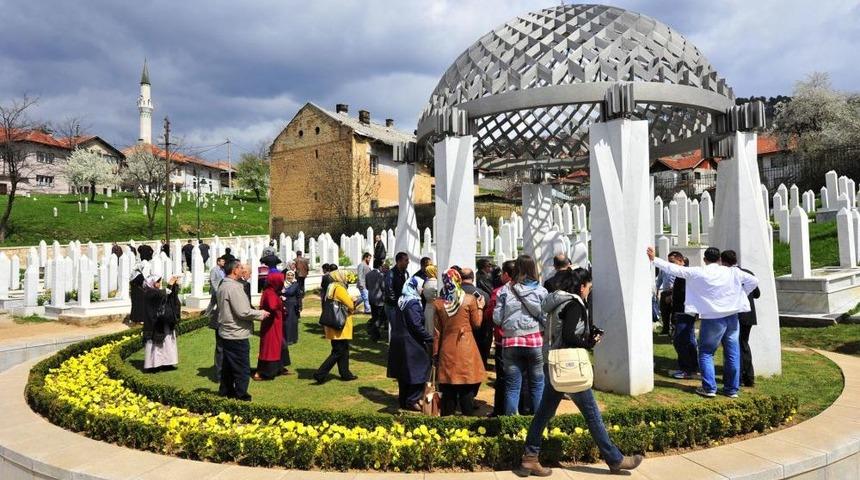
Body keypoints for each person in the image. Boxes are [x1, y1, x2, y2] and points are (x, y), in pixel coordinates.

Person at [516, 268, 643, 477]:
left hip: (554, 364)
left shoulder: (557, 303)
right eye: (589, 288)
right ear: (582, 286)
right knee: (592, 414)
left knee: (544, 414)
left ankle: (530, 458)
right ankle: (615, 459)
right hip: (569, 367)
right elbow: (569, 336)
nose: (588, 292)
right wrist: (589, 342)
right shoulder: (574, 303)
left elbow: (562, 330)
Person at [648, 246, 759, 398]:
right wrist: (740, 296)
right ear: (719, 259)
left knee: (706, 353)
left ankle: (709, 388)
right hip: (732, 316)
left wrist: (654, 259)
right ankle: (731, 389)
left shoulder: (699, 271)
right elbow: (754, 280)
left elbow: (675, 269)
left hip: (712, 317)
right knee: (732, 353)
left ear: (705, 259)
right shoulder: (733, 272)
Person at [493, 254, 548, 415]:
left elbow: (496, 318)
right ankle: (539, 425)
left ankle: (512, 426)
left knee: (512, 386)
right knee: (538, 384)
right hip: (535, 341)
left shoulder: (505, 290)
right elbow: (545, 317)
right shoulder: (541, 291)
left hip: (511, 341)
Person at [433, 268, 485, 416]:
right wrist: (480, 308)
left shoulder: (439, 303)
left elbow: (437, 332)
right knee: (467, 385)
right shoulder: (469, 299)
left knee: (448, 387)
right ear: (459, 280)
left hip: (447, 347)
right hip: (466, 347)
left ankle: (448, 422)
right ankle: (468, 421)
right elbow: (477, 324)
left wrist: (435, 353)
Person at [216, 259, 269, 400]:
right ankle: (241, 394)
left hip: (227, 332)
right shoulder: (233, 287)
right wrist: (261, 314)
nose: (243, 270)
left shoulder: (224, 285)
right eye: (240, 268)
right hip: (236, 333)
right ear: (234, 270)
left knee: (228, 365)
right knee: (242, 367)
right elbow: (243, 312)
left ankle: (226, 390)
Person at [388, 275, 434, 410]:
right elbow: (416, 325)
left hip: (398, 340)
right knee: (420, 369)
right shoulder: (413, 302)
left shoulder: (402, 299)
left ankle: (403, 399)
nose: (422, 290)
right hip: (410, 341)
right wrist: (429, 338)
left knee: (404, 371)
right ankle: (412, 399)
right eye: (421, 287)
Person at [720, 250, 760, 387]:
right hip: (748, 315)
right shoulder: (748, 273)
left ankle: (737, 378)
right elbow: (757, 294)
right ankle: (749, 377)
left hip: (734, 313)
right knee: (744, 345)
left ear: (723, 261)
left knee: (732, 347)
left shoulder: (725, 275)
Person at [313, 270, 358, 383]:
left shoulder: (330, 287)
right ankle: (320, 374)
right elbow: (349, 304)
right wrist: (354, 300)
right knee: (338, 351)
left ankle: (345, 373)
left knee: (343, 350)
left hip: (333, 323)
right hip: (340, 324)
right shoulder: (339, 288)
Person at [488, 260, 514, 417]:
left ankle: (500, 410)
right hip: (524, 339)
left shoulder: (498, 292)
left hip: (502, 340)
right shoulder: (531, 290)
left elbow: (492, 315)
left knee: (503, 377)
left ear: (506, 274)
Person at [141, 274, 181, 372]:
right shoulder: (149, 292)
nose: (159, 284)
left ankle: (167, 363)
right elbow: (163, 294)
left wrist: (174, 285)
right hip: (154, 323)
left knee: (166, 342)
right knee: (154, 345)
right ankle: (153, 365)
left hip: (162, 322)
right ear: (151, 283)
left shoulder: (155, 292)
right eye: (157, 282)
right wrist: (170, 285)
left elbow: (167, 296)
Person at [254, 271, 285, 381]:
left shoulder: (271, 291)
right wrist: (280, 304)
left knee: (274, 345)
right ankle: (266, 372)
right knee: (270, 346)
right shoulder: (270, 292)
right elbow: (272, 306)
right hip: (271, 323)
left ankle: (276, 368)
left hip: (274, 322)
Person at [461, 267, 492, 368]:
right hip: (480, 333)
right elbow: (488, 315)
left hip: (460, 333)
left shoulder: (453, 294)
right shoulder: (483, 295)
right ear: (473, 278)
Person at [206, 255, 228, 376]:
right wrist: (217, 290)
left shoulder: (223, 270)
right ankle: (207, 314)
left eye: (224, 261)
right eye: (222, 260)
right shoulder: (215, 270)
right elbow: (213, 281)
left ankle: (207, 314)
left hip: (221, 292)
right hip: (217, 291)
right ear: (218, 261)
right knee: (213, 304)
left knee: (213, 305)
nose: (223, 262)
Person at [385, 252, 410, 337]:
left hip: (401, 305)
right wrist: (397, 302)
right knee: (395, 329)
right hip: (393, 306)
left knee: (401, 329)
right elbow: (389, 291)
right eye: (406, 260)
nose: (408, 262)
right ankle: (394, 348)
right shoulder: (391, 273)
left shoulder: (405, 273)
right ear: (399, 261)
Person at [282, 270, 302, 362]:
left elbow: (299, 296)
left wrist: (300, 306)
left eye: (291, 275)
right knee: (285, 322)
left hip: (292, 305)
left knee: (291, 322)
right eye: (288, 275)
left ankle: (291, 339)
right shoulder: (283, 284)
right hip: (284, 305)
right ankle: (285, 339)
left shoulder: (296, 285)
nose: (289, 277)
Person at [365, 259, 386, 341]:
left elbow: (367, 286)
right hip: (379, 298)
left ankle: (375, 334)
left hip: (371, 297)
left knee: (374, 317)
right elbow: (383, 287)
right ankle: (374, 332)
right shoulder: (380, 275)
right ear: (380, 266)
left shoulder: (368, 274)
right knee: (380, 317)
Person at [656, 260, 676, 336]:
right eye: (669, 260)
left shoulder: (677, 270)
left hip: (674, 292)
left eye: (672, 260)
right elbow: (659, 280)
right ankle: (665, 329)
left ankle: (674, 330)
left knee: (674, 312)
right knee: (664, 312)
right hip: (665, 292)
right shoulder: (663, 269)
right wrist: (657, 289)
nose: (670, 262)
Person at [422, 264, 439, 335]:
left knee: (428, 326)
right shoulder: (436, 283)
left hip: (427, 306)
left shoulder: (425, 283)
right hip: (435, 307)